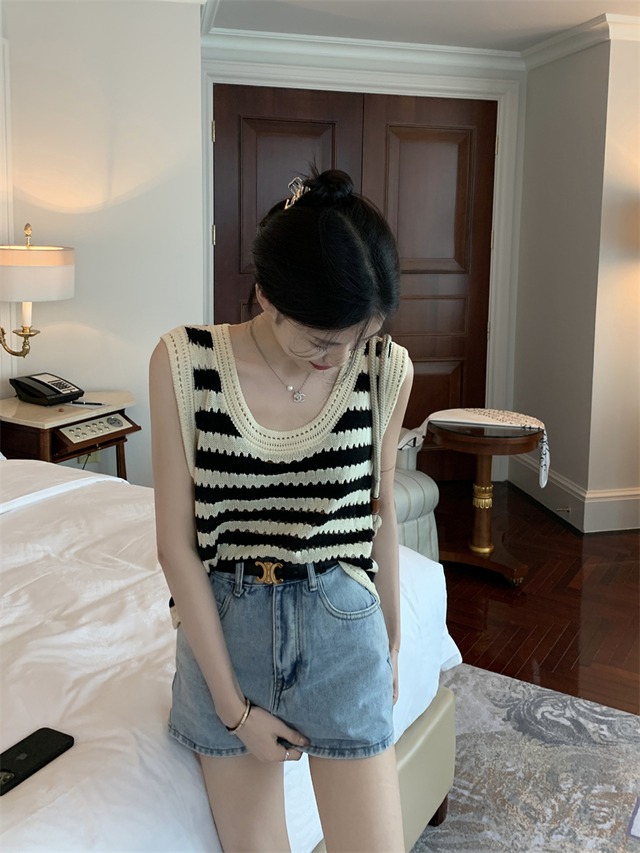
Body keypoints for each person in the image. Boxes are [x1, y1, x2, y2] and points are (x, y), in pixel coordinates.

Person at [149, 168, 414, 852]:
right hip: (225, 631)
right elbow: (176, 546)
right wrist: (234, 711)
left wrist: (390, 640)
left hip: (341, 626)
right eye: (322, 340)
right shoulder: (184, 361)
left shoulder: (384, 367)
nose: (341, 357)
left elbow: (379, 509)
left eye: (358, 336)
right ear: (267, 293)